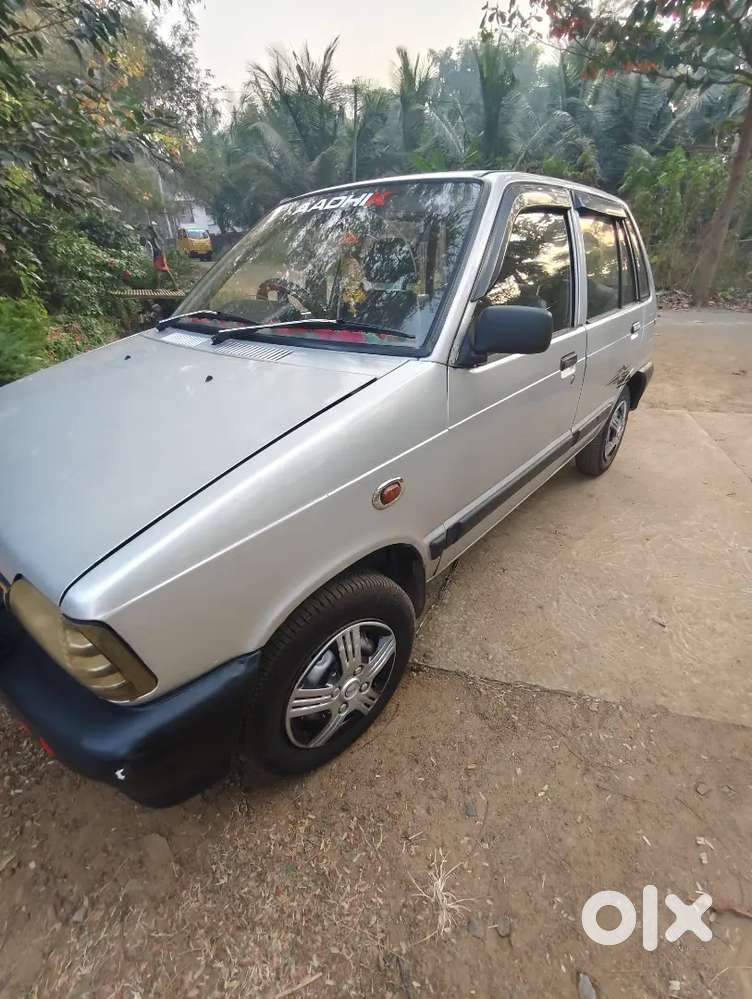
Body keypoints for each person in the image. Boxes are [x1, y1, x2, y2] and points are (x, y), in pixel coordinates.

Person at [145, 221, 178, 290]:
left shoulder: (156, 237)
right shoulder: (151, 238)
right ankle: (174, 287)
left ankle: (159, 287)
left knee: (161, 271)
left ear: (151, 231)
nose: (147, 232)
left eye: (148, 230)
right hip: (157, 255)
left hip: (159, 255)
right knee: (164, 271)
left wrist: (162, 253)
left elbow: (161, 245)